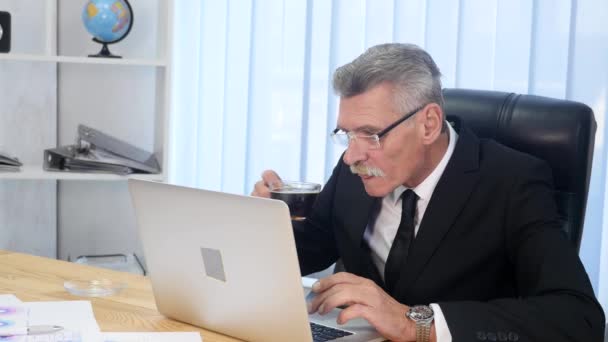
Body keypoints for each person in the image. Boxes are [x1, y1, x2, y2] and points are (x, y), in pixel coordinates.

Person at [251, 43, 605, 341]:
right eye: (346, 134)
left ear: (429, 124)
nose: (352, 154)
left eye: (371, 134)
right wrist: (263, 224)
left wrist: (417, 323)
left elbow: (579, 317)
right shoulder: (355, 168)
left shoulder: (512, 182)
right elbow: (312, 249)